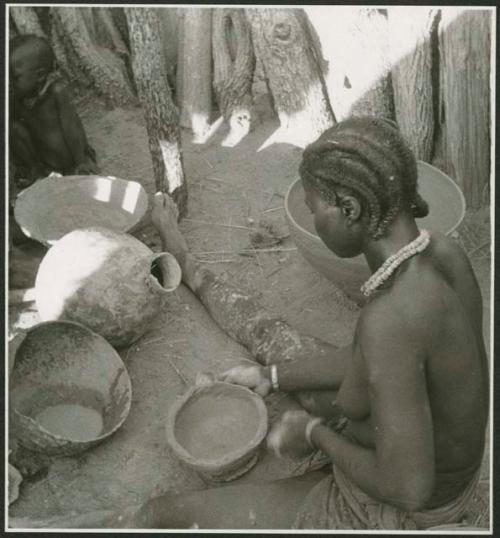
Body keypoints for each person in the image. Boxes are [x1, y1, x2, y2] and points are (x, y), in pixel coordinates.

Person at [12, 116, 488, 530]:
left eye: (315, 205)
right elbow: (378, 361)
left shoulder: (393, 317)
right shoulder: (442, 253)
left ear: (351, 209)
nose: (311, 216)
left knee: (164, 516)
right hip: (409, 454)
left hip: (402, 511)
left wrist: (313, 433)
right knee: (271, 341)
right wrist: (270, 377)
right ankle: (189, 266)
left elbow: (407, 486)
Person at [9, 34, 98, 188]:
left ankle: (80, 167)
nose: (9, 83)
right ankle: (35, 172)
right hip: (47, 164)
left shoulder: (57, 92)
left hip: (72, 158)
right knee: (12, 128)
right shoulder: (17, 99)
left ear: (40, 75)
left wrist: (81, 161)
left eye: (14, 77)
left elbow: (73, 129)